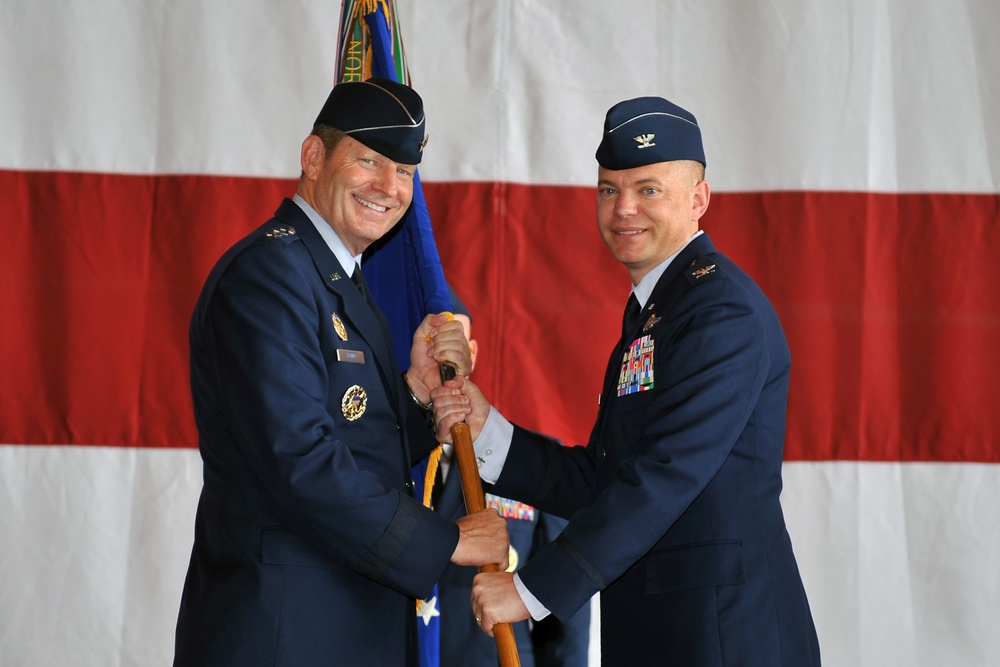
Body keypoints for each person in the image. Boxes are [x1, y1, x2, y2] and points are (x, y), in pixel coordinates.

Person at [432, 96, 821, 666]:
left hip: (723, 639)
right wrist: (488, 430)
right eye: (609, 189)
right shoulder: (660, 311)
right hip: (665, 634)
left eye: (648, 189)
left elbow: (662, 477)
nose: (623, 209)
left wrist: (532, 589)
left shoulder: (721, 312)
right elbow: (605, 480)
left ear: (699, 199)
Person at [173, 77, 509, 667]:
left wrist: (415, 395)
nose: (390, 187)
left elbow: (348, 430)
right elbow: (300, 461)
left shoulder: (331, 277)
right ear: (312, 157)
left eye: (405, 171)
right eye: (370, 161)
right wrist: (447, 540)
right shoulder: (270, 278)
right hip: (283, 633)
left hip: (336, 627)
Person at [430, 287, 591, 666]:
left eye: (454, 349)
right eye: (430, 348)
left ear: (473, 354)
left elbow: (565, 617)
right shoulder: (371, 463)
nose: (442, 363)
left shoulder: (533, 466)